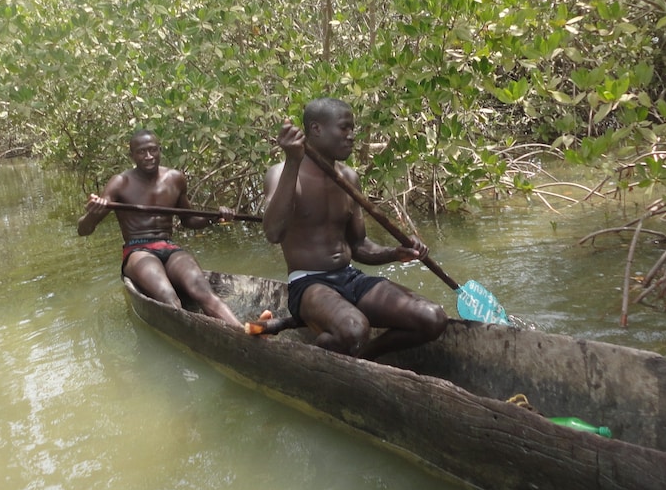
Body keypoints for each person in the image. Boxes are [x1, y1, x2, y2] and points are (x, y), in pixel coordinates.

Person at [253, 98, 448, 358]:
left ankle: (361, 356)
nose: (352, 136)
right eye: (344, 128)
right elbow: (273, 233)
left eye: (352, 129)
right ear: (316, 129)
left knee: (433, 318)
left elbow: (359, 246)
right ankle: (321, 353)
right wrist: (292, 161)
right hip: (308, 284)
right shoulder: (280, 174)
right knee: (354, 330)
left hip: (348, 277)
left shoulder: (349, 178)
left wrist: (396, 252)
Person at [78, 128, 243, 327]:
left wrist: (217, 218)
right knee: (169, 299)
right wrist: (93, 212)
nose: (148, 156)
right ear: (132, 155)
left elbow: (188, 220)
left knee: (204, 292)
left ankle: (243, 333)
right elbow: (84, 230)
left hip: (169, 247)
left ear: (159, 150)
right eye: (141, 152)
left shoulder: (175, 179)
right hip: (138, 250)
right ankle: (190, 332)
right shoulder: (120, 182)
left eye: (153, 150)